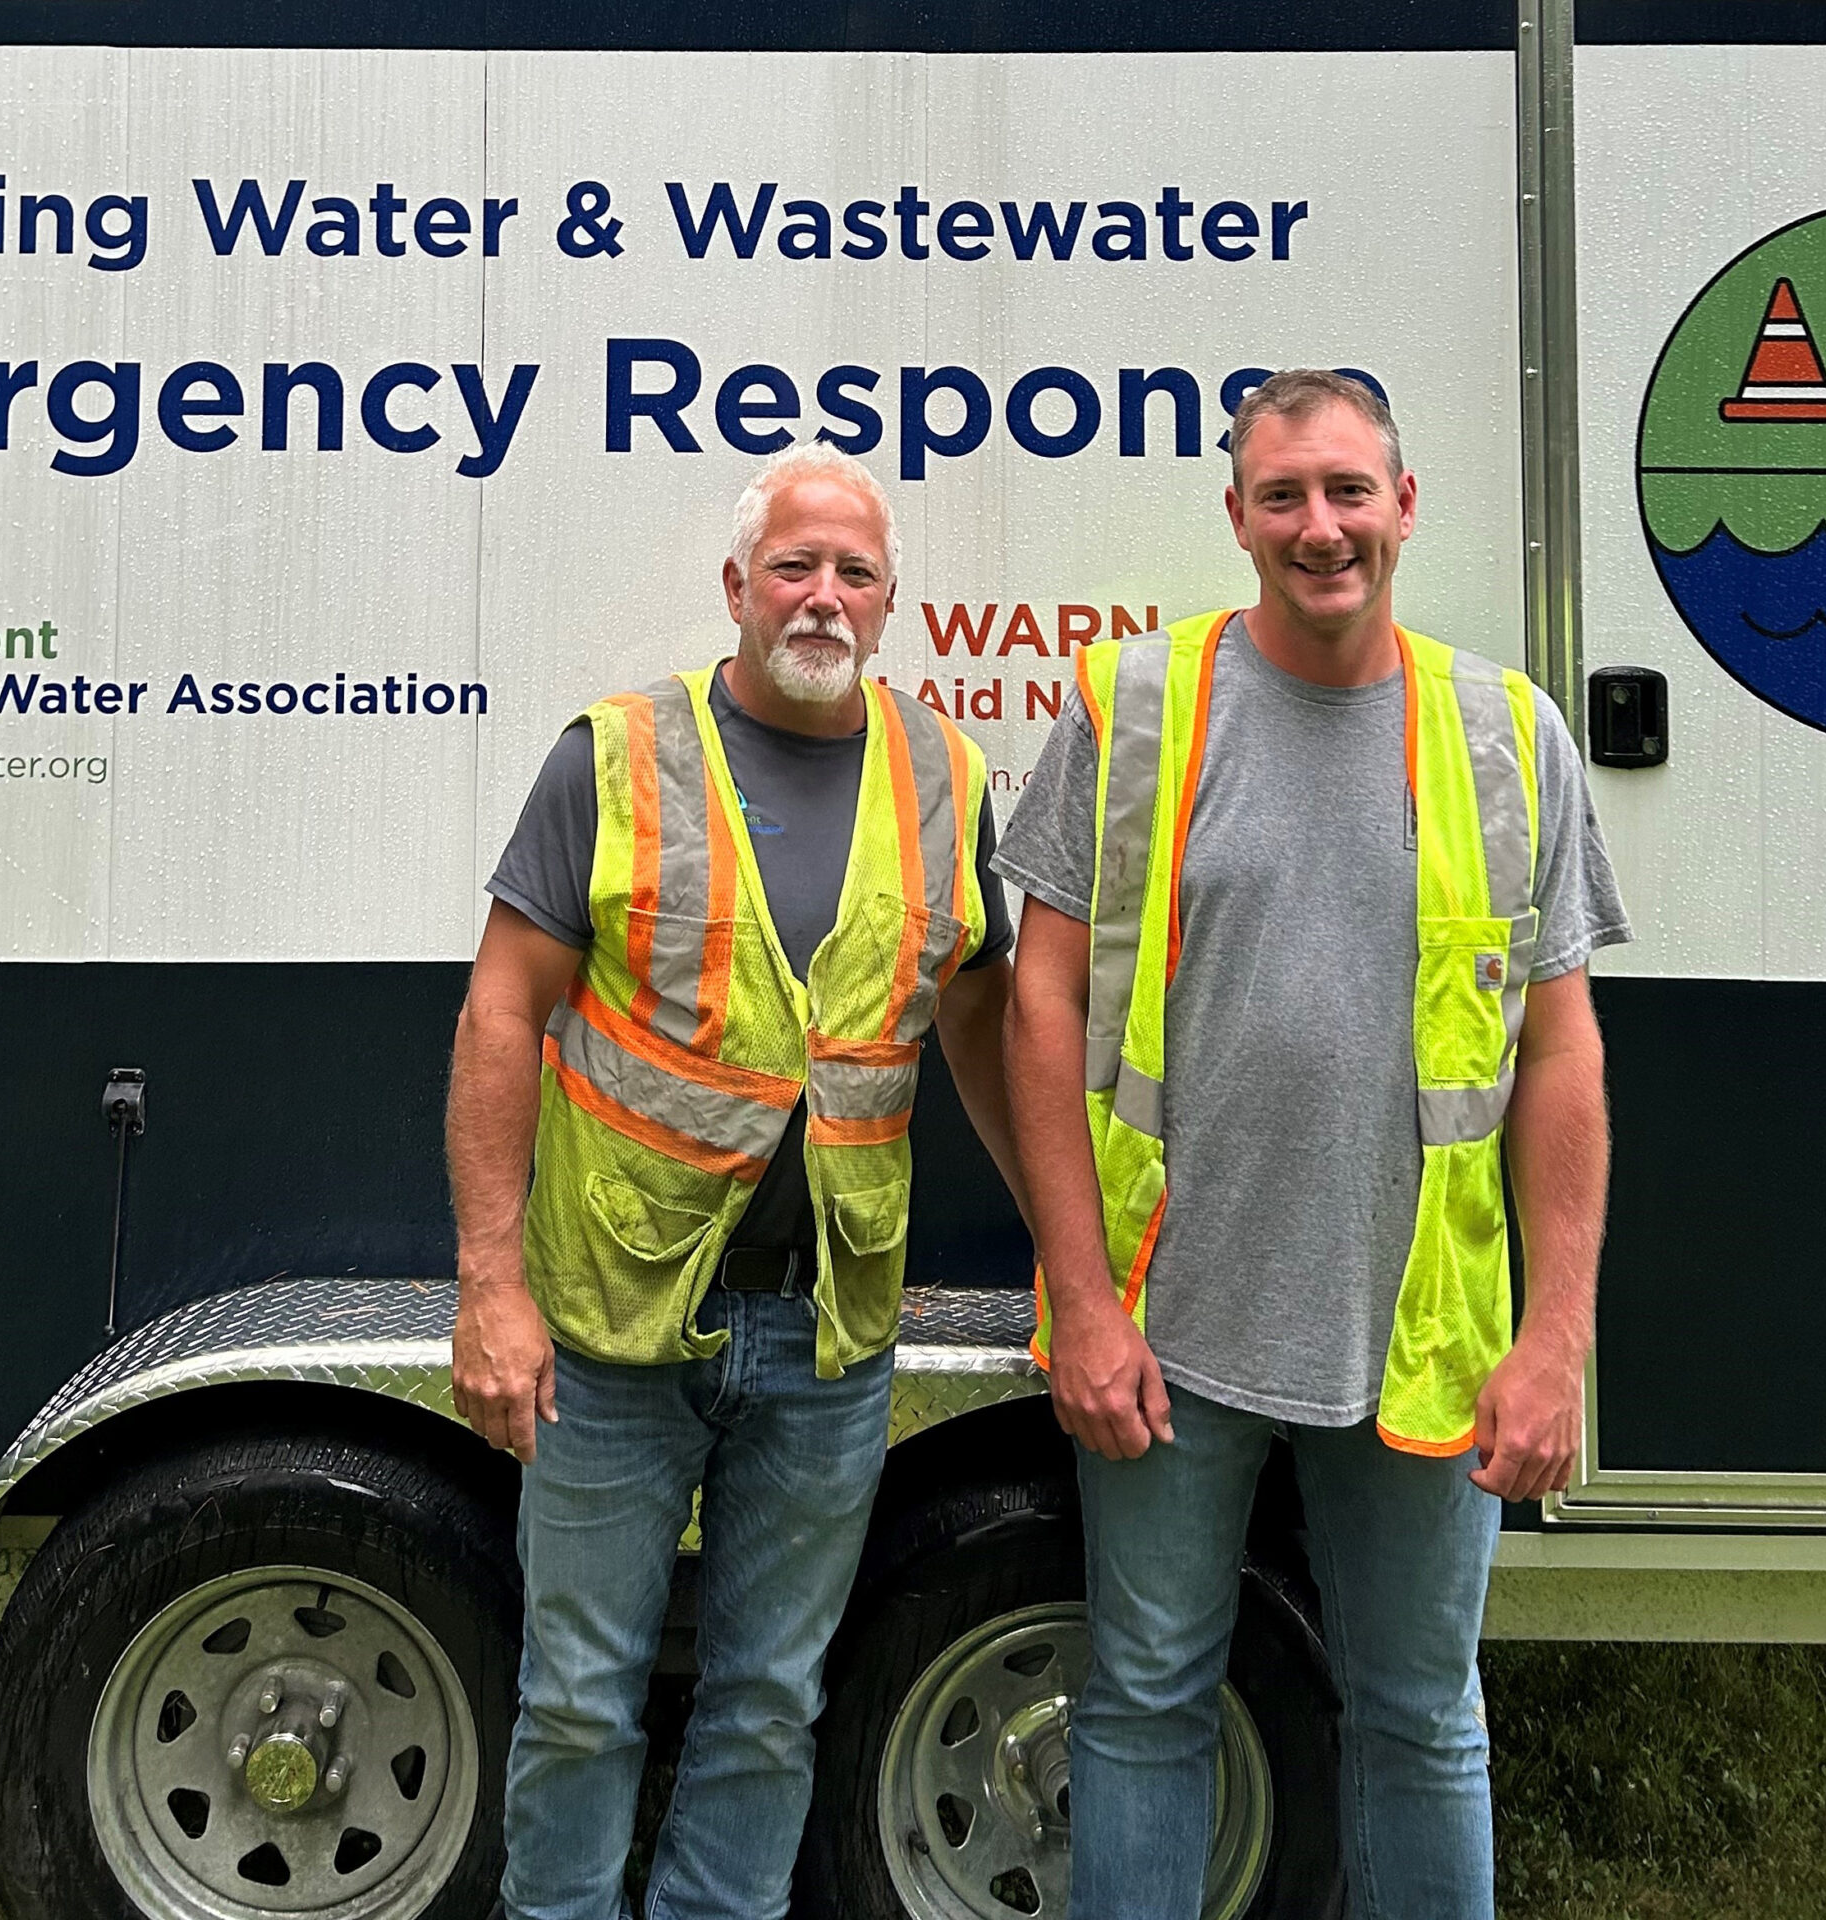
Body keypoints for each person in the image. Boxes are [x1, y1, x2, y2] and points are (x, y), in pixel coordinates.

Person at [998, 368, 1626, 1920]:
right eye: (1283, 496)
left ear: (1405, 507)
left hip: (1422, 1339)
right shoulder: (1132, 706)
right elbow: (1040, 997)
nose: (1320, 526)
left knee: (1423, 1721)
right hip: (1168, 1319)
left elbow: (1562, 1052)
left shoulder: (1508, 734)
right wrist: (1078, 1299)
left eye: (1350, 490)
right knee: (1145, 1706)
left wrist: (1556, 1340)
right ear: (1235, 518)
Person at [449, 445, 1024, 1920]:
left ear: (892, 603)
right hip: (609, 1328)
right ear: (737, 589)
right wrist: (490, 1286)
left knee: (771, 1704)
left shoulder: (948, 773)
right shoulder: (615, 755)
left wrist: (1068, 1255)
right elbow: (503, 1013)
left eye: (853, 573)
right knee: (580, 1697)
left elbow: (973, 1014)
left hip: (826, 1337)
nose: (821, 597)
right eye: (794, 567)